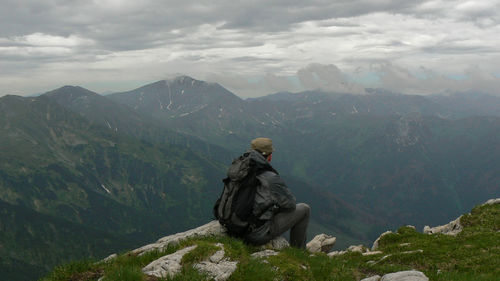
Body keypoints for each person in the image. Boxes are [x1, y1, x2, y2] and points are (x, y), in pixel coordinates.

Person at [242, 137, 311, 249]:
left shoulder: (239, 169)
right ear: (269, 156)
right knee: (304, 209)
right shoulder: (270, 178)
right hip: (255, 234)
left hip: (235, 226)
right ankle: (299, 252)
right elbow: (290, 204)